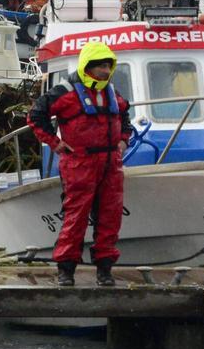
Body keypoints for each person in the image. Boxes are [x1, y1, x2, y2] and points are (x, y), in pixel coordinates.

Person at [28, 42, 132, 287]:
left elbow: (125, 117)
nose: (106, 71)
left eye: (108, 66)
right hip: (80, 163)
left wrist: (123, 142)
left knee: (110, 217)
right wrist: (55, 143)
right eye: (101, 67)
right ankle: (66, 270)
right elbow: (35, 116)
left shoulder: (112, 93)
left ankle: (104, 270)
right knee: (76, 217)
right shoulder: (65, 93)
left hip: (110, 164)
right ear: (88, 67)